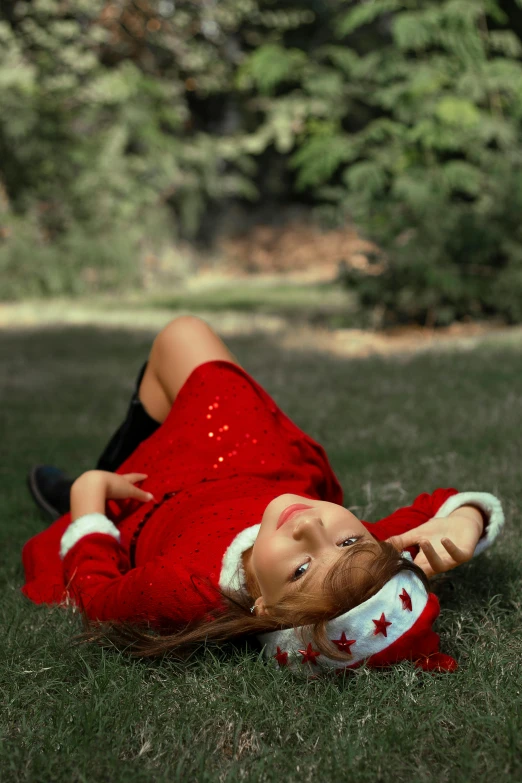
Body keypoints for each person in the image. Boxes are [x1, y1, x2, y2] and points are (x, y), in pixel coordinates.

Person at [22, 316, 505, 675]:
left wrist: (87, 503)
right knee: (184, 335)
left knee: (171, 362)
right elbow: (443, 504)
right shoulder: (362, 566)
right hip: (248, 460)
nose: (309, 526)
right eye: (347, 542)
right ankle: (120, 460)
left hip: (157, 498)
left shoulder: (181, 591)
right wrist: (463, 523)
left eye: (299, 569)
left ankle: (102, 476)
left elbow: (96, 595)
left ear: (266, 612)